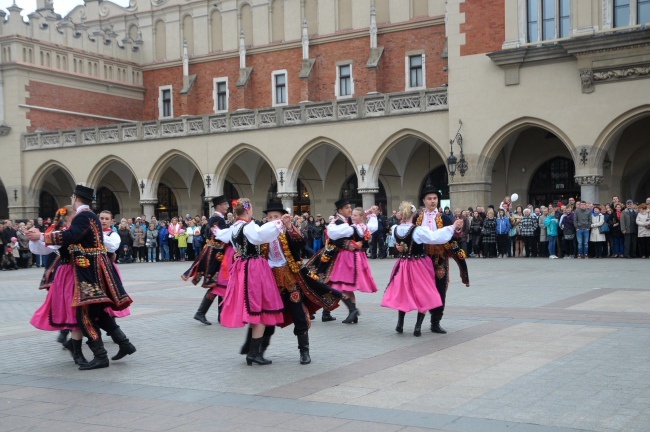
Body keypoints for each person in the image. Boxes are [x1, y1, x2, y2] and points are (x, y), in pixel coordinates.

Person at [36, 185, 133, 370]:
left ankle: (100, 356)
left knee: (84, 316)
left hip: (87, 273)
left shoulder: (84, 216)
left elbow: (71, 236)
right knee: (96, 312)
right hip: (91, 270)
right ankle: (124, 345)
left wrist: (42, 236)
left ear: (75, 198)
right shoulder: (91, 216)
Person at [239, 202, 342, 365]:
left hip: (291, 277)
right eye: (270, 217)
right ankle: (257, 351)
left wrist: (289, 226)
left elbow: (301, 242)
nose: (272, 220)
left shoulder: (287, 231)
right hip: (270, 279)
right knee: (268, 315)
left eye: (276, 217)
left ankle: (304, 351)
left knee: (298, 312)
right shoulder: (262, 234)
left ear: (282, 217)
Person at [215, 198, 287, 366]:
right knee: (260, 309)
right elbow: (261, 236)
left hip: (242, 267)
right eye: (252, 209)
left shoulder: (233, 228)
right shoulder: (249, 227)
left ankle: (253, 352)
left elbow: (223, 236)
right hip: (254, 268)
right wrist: (278, 223)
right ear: (247, 210)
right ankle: (254, 354)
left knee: (255, 307)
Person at [382, 202, 464, 336]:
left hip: (403, 264)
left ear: (401, 215)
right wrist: (452, 227)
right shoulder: (418, 230)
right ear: (413, 215)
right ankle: (417, 327)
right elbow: (434, 237)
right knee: (424, 292)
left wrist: (400, 246)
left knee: (404, 292)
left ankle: (400, 324)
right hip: (418, 264)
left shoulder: (395, 228)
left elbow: (398, 243)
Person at [305, 200, 379, 324]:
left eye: (350, 207)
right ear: (340, 210)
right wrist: (349, 243)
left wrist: (369, 213)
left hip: (338, 256)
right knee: (322, 281)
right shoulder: (337, 222)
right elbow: (334, 236)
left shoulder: (347, 221)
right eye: (347, 208)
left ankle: (327, 312)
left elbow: (360, 223)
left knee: (331, 283)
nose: (350, 210)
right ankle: (315, 310)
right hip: (331, 254)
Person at [415, 186, 469, 334]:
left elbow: (454, 236)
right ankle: (418, 323)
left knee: (440, 289)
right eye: (429, 199)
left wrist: (457, 228)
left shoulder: (444, 217)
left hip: (440, 258)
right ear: (424, 201)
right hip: (422, 259)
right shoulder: (418, 219)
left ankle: (435, 322)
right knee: (422, 290)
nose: (432, 201)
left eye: (435, 199)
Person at [182, 195, 231, 325]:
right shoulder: (216, 219)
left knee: (221, 283)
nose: (227, 206)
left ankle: (221, 314)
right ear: (219, 206)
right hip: (215, 254)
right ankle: (201, 312)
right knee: (217, 283)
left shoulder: (217, 218)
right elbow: (218, 237)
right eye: (225, 204)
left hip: (217, 253)